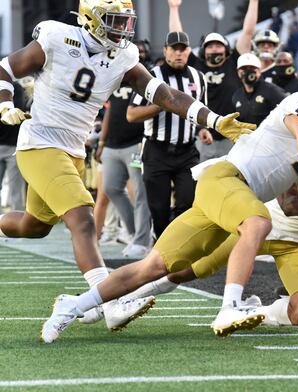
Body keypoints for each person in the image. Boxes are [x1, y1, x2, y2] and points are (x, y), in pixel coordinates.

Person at [0, 0, 254, 343]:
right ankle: (109, 299)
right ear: (91, 19)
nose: (123, 28)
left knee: (35, 226)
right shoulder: (57, 37)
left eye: (125, 21)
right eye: (114, 20)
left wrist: (214, 119)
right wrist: (4, 103)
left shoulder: (123, 55)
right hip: (41, 142)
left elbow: (165, 95)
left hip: (74, 150)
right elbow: (5, 67)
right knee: (83, 218)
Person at [40, 62, 298, 342]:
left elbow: (291, 200)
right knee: (257, 223)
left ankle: (74, 304)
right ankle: (230, 306)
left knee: (153, 267)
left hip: (225, 196)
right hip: (227, 178)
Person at [114, 171, 298, 328]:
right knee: (185, 269)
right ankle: (121, 298)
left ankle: (259, 313)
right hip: (257, 226)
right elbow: (288, 205)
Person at [127, 31, 206, 239]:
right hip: (157, 151)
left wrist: (203, 129)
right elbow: (131, 114)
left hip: (187, 151)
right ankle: (160, 257)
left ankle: (181, 255)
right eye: (174, 49)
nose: (179, 53)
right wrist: (162, 105)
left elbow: (199, 112)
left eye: (183, 49)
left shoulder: (199, 77)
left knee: (188, 206)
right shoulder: (151, 76)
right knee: (159, 210)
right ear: (165, 51)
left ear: (189, 51)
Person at [168, 0, 257, 161]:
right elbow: (177, 38)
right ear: (203, 50)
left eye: (219, 45)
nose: (215, 48)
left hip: (231, 137)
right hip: (202, 135)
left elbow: (248, 32)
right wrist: (173, 8)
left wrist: (254, 1)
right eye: (210, 46)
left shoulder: (234, 63)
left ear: (226, 49)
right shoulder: (194, 65)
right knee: (200, 181)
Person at [96, 78, 151, 259]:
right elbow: (110, 111)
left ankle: (141, 241)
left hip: (136, 143)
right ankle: (135, 233)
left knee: (140, 192)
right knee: (110, 188)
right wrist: (102, 141)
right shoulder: (114, 79)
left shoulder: (143, 81)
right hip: (112, 144)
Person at [232, 53, 286, 126]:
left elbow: (287, 114)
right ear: (238, 72)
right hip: (247, 136)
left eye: (252, 68)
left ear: (259, 71)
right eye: (244, 68)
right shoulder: (237, 95)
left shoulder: (272, 91)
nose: (248, 71)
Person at [0, 81, 26, 211]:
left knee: (16, 190)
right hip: (10, 144)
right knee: (16, 190)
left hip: (14, 146)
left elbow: (17, 111)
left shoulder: (16, 87)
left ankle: (17, 228)